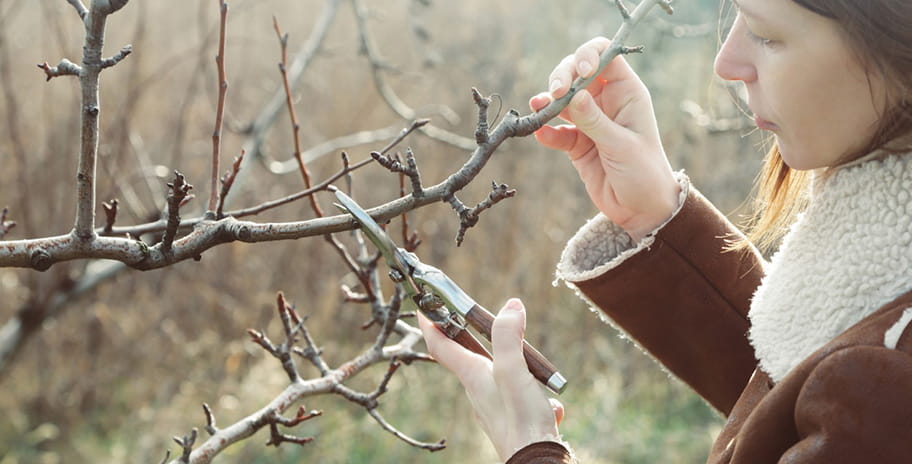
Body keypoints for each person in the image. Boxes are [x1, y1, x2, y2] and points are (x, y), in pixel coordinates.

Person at [418, 0, 912, 462]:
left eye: (765, 34)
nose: (726, 61)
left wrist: (530, 447)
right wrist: (655, 216)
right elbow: (793, 396)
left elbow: (844, 386)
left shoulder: (889, 377)